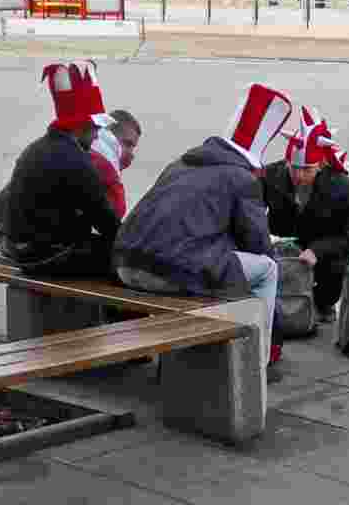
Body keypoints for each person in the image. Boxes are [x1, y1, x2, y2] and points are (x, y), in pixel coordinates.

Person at [112, 83, 293, 382]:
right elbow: (258, 244)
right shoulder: (242, 178)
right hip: (168, 272)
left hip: (125, 264)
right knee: (267, 270)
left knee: (219, 265)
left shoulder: (180, 164)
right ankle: (257, 364)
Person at [0, 62, 120, 277]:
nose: (97, 135)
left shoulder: (36, 148)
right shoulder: (76, 160)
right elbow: (106, 222)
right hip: (49, 257)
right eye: (96, 128)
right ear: (82, 126)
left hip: (23, 253)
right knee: (129, 261)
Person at [263, 105, 349, 324]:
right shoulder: (271, 176)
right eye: (294, 168)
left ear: (320, 165)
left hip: (325, 248)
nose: (299, 175)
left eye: (307, 169)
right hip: (283, 241)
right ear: (286, 163)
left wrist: (318, 250)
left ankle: (324, 305)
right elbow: (250, 213)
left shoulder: (341, 185)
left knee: (336, 264)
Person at [89, 109, 142, 220]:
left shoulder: (80, 154)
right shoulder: (102, 166)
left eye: (133, 148)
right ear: (109, 135)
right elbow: (115, 213)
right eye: (127, 144)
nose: (131, 154)